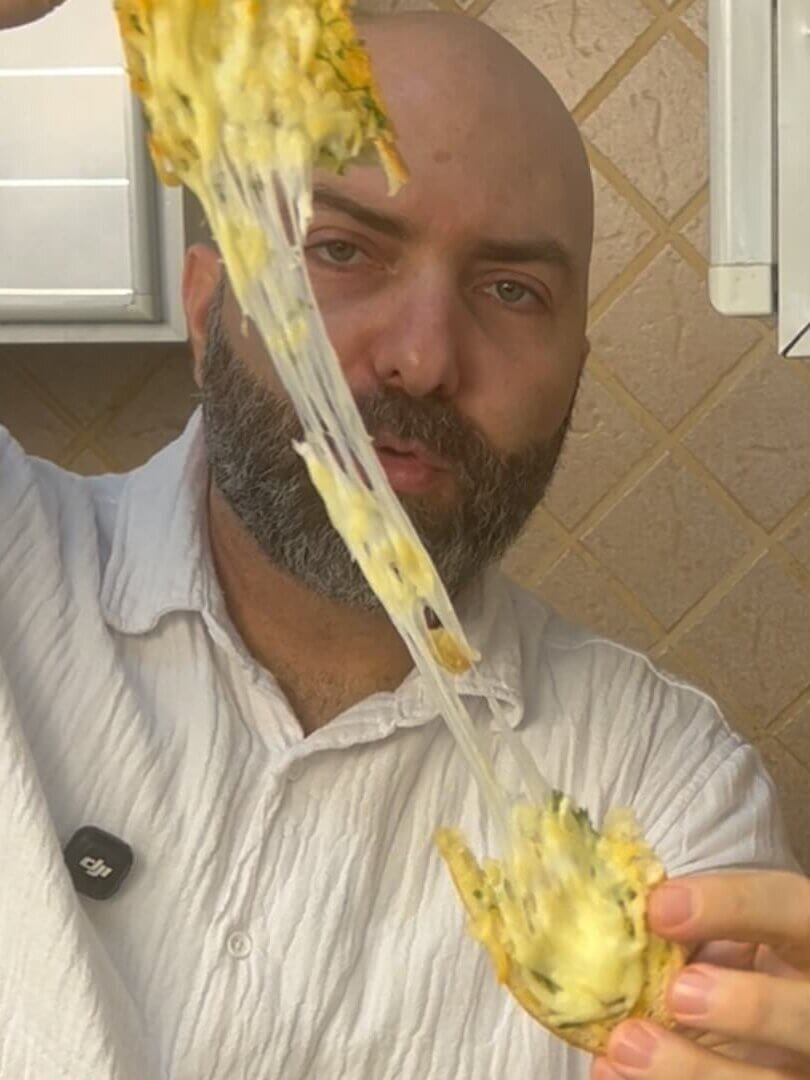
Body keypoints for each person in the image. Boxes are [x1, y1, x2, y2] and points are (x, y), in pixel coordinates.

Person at [0, 4, 808, 1079]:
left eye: (511, 290)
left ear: (575, 375)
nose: (423, 357)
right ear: (206, 310)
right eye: (340, 249)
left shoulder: (666, 787)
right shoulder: (18, 568)